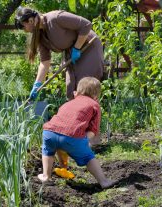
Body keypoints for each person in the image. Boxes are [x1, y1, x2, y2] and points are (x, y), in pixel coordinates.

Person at [15, 7, 105, 170]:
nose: (24, 30)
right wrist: (37, 85)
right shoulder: (40, 36)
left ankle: (92, 140)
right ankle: (75, 138)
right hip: (72, 53)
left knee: (85, 92)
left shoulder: (56, 18)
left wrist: (77, 48)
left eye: (23, 26)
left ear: (30, 20)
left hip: (87, 47)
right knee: (71, 92)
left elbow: (86, 25)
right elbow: (45, 62)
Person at [37, 77, 116, 188]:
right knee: (88, 157)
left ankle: (46, 176)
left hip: (49, 132)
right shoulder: (94, 105)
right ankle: (104, 181)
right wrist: (84, 141)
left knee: (48, 151)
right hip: (71, 137)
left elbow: (60, 123)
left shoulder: (67, 103)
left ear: (77, 92)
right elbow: (93, 130)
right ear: (96, 96)